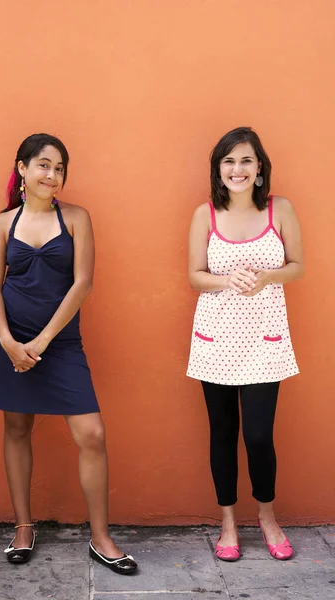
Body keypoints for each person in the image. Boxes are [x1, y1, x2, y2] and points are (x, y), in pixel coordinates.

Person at [0, 133, 137, 574]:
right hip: (10, 339)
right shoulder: (2, 223)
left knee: (92, 435)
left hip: (60, 341)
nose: (53, 175)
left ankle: (101, 537)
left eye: (60, 168)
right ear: (22, 168)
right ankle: (23, 526)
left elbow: (82, 282)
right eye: (44, 165)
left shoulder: (77, 218)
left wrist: (44, 340)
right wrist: (8, 340)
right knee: (16, 427)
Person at [187, 127, 304, 561]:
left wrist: (268, 276)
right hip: (215, 338)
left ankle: (268, 516)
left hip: (264, 339)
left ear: (259, 169)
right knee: (222, 432)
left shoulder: (280, 209)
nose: (237, 169)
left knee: (257, 434)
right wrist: (225, 280)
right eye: (228, 161)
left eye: (246, 161)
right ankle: (228, 522)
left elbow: (298, 266)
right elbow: (194, 275)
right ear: (219, 170)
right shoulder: (205, 215)